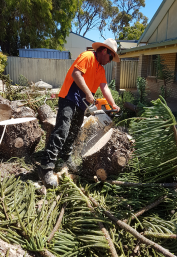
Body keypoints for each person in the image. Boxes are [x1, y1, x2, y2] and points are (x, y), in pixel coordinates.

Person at [38, 38, 120, 188]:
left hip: (81, 102)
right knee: (62, 130)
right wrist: (89, 94)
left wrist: (113, 104)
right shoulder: (87, 56)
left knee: (74, 131)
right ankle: (46, 167)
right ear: (104, 51)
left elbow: (105, 87)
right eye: (110, 56)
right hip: (69, 97)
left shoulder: (100, 69)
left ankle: (64, 158)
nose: (110, 60)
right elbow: (76, 74)